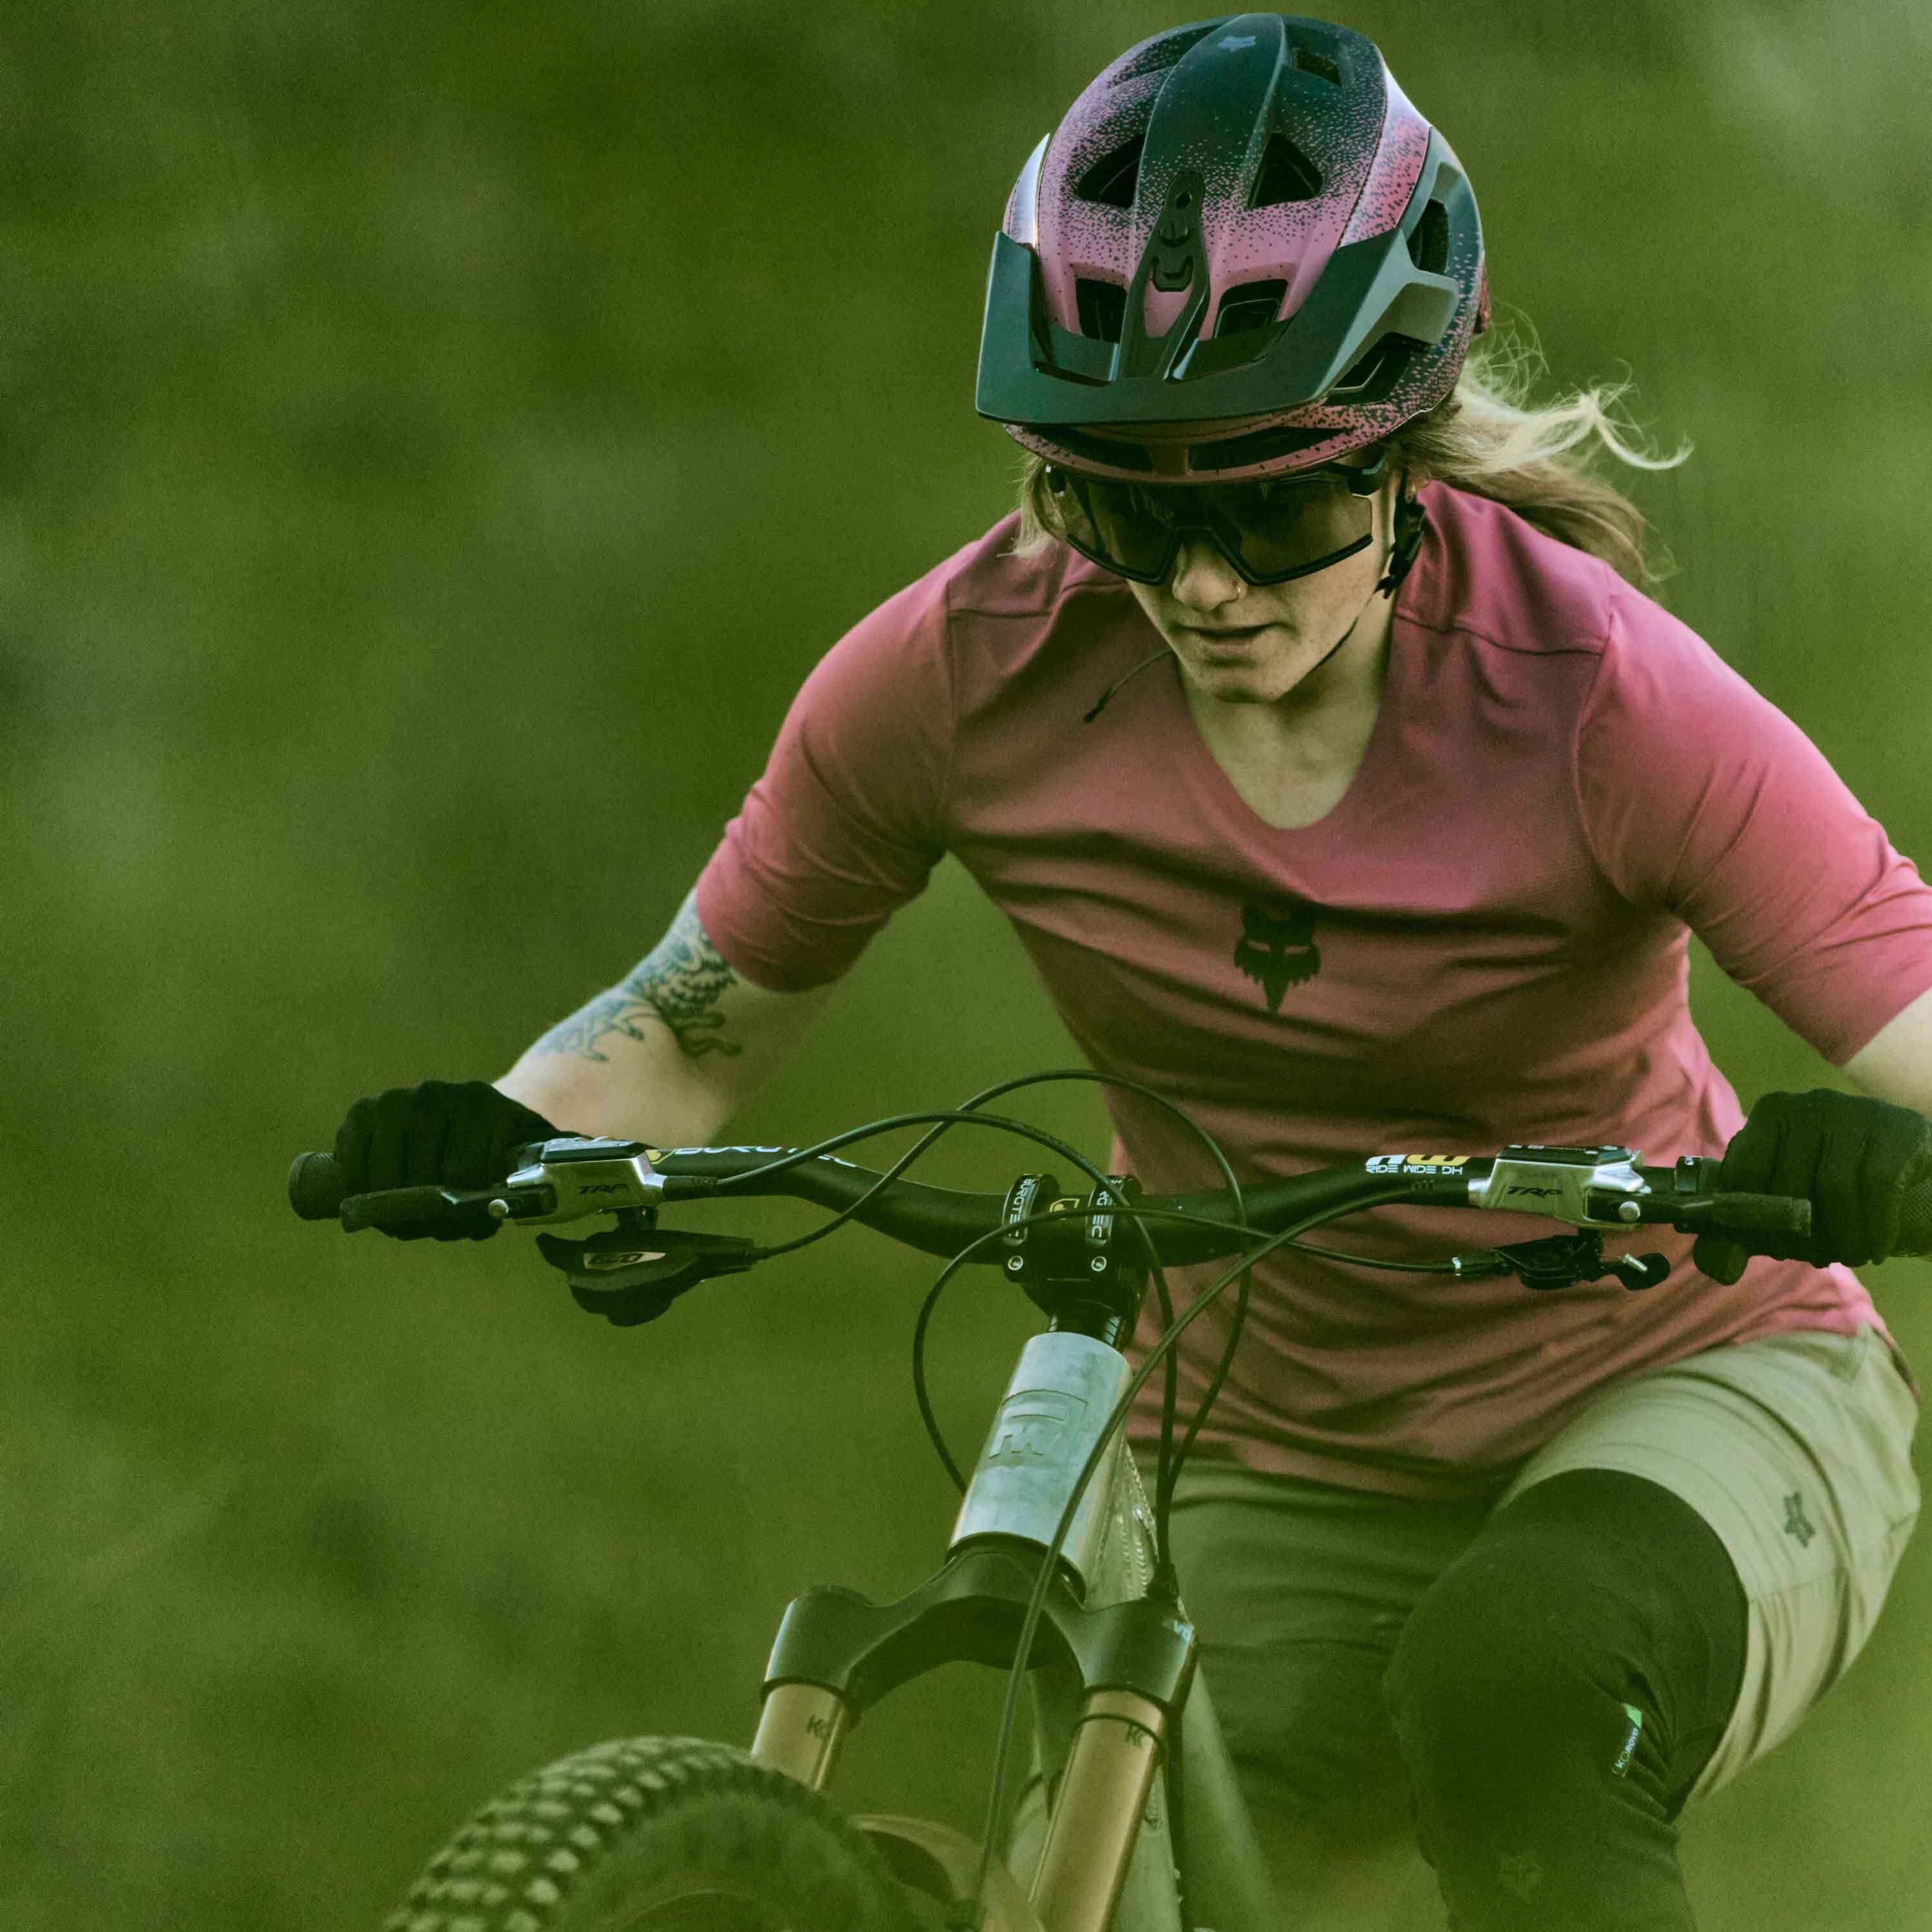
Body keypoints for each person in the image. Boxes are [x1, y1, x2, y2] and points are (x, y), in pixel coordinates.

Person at [328, 16, 1932, 1930]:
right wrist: (502, 1132)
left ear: (1400, 451)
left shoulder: (1600, 697)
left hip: (1679, 1375)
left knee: (1514, 1694)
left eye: (1270, 504)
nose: (1204, 590)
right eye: (1130, 509)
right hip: (1256, 1435)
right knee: (1073, 1870)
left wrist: (1868, 1156)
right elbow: (689, 1035)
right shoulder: (957, 673)